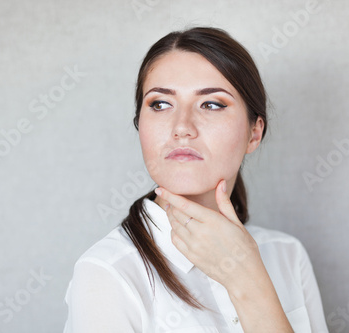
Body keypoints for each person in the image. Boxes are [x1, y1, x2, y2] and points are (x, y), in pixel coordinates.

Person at [63, 26, 329, 333]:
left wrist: (248, 281)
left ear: (254, 133)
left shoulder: (287, 253)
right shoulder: (108, 272)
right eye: (160, 104)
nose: (182, 127)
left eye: (212, 104)